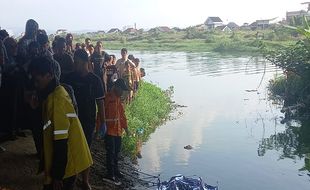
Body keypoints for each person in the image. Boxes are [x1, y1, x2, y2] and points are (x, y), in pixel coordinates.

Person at [28, 56, 93, 190]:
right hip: (64, 161)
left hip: (67, 164)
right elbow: (47, 127)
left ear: (49, 75)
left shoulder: (57, 100)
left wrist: (58, 176)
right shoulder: (53, 93)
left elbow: (61, 142)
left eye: (37, 80)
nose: (35, 84)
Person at [64, 49, 105, 189]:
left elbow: (100, 103)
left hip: (88, 121)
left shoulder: (95, 80)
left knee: (85, 151)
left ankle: (85, 180)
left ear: (86, 63)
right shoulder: (68, 78)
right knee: (70, 149)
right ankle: (72, 177)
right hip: (70, 121)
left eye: (78, 63)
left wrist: (102, 123)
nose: (75, 66)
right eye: (74, 62)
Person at [103, 79, 130, 185]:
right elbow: (101, 114)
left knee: (116, 152)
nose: (123, 92)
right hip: (109, 131)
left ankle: (116, 171)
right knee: (110, 153)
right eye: (122, 90)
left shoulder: (118, 99)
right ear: (117, 87)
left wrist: (126, 129)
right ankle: (110, 174)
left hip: (118, 131)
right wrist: (99, 130)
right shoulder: (107, 97)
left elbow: (122, 116)